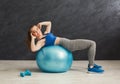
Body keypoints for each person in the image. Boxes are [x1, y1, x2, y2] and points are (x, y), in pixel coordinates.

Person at [26, 21, 104, 73]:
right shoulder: (41, 41)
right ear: (33, 34)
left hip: (68, 42)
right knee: (92, 44)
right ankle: (91, 66)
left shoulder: (45, 34)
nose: (37, 31)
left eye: (37, 29)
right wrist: (32, 39)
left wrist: (41, 23)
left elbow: (49, 23)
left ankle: (92, 63)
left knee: (91, 43)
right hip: (69, 44)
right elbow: (33, 49)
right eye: (34, 32)